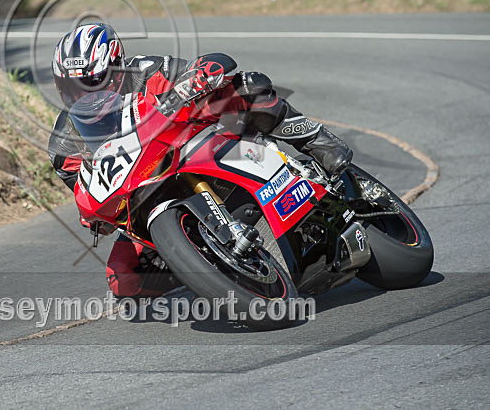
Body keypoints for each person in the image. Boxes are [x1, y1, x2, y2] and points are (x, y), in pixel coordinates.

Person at [48, 23, 352, 297]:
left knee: (247, 86)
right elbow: (88, 188)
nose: (83, 95)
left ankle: (317, 140)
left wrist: (199, 76)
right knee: (122, 279)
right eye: (72, 88)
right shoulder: (64, 142)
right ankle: (202, 267)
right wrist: (99, 218)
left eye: (92, 82)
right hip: (143, 195)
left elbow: (215, 63)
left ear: (116, 69)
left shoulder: (147, 71)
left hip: (193, 149)